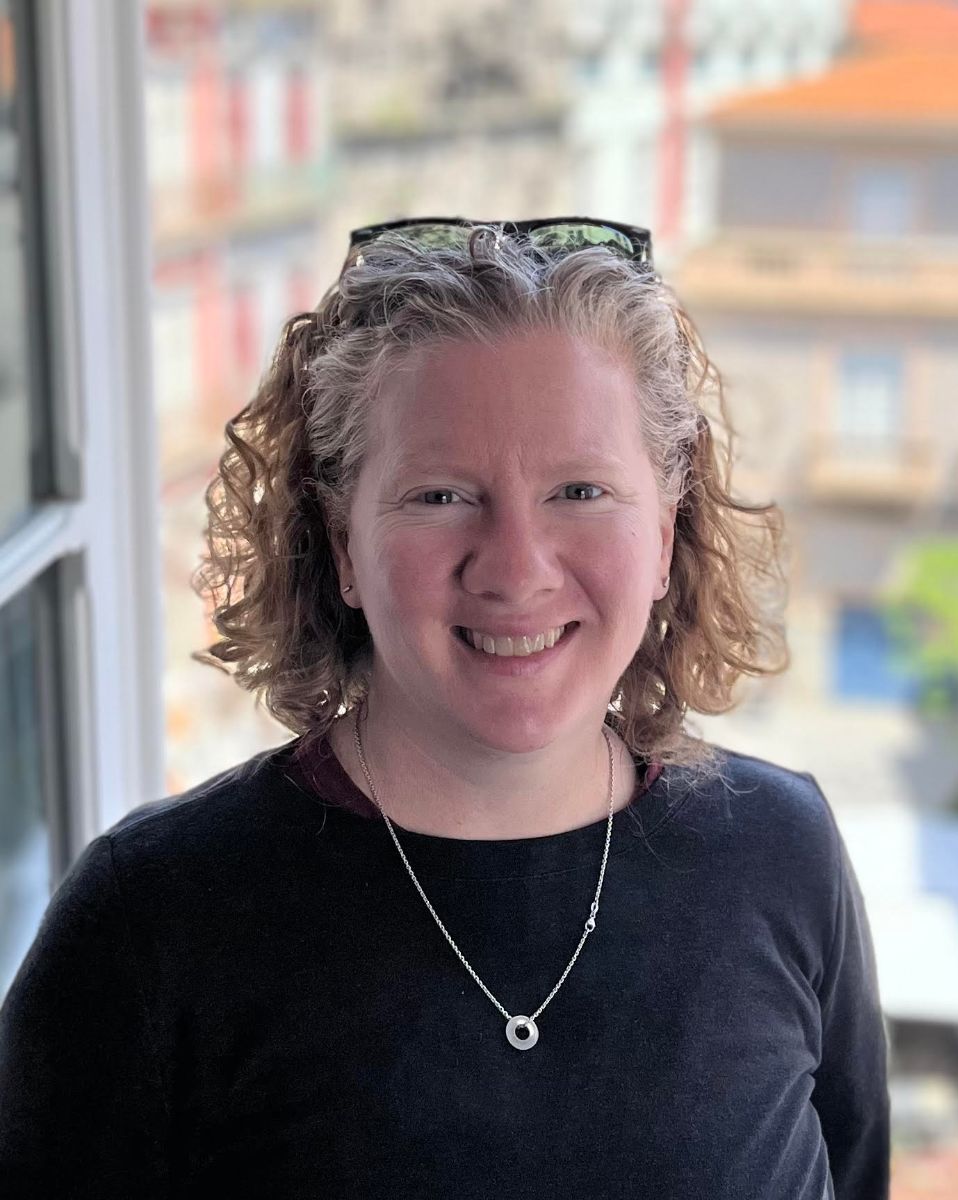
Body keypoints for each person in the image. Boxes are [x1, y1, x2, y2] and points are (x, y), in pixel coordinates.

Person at [0, 217, 890, 1198]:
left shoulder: (781, 850)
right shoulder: (150, 922)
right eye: (438, 496)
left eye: (581, 489)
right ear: (341, 545)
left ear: (667, 528)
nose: (516, 569)